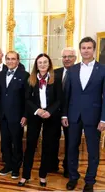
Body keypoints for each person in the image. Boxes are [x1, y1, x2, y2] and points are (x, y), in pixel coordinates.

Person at [62, 37, 105, 192]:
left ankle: (90, 181)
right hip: (73, 115)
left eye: (89, 48)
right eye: (83, 48)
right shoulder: (72, 70)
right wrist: (64, 115)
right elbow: (67, 94)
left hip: (94, 116)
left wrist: (103, 118)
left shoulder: (103, 69)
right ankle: (73, 177)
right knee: (71, 148)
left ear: (93, 49)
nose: (86, 50)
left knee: (93, 151)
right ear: (80, 50)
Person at [18, 53, 62, 187]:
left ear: (49, 64)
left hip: (50, 116)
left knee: (47, 146)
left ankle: (43, 176)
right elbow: (27, 99)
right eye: (40, 63)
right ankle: (25, 176)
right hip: (35, 116)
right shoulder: (30, 80)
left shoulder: (57, 79)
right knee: (30, 146)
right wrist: (38, 111)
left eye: (45, 62)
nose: (42, 65)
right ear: (36, 65)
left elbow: (59, 99)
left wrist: (49, 111)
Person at [0, 51, 29, 179]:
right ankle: (8, 165)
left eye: (13, 59)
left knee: (16, 142)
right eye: (8, 59)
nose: (10, 61)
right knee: (5, 142)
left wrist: (25, 115)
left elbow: (27, 98)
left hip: (17, 116)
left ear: (18, 60)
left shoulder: (25, 75)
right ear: (5, 60)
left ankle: (16, 167)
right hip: (2, 115)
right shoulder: (0, 75)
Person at [51, 47, 76, 178]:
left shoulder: (79, 72)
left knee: (70, 142)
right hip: (55, 113)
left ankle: (68, 168)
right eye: (64, 57)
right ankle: (53, 164)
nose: (67, 59)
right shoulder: (55, 73)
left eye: (70, 56)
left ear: (75, 58)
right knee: (52, 139)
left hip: (71, 114)